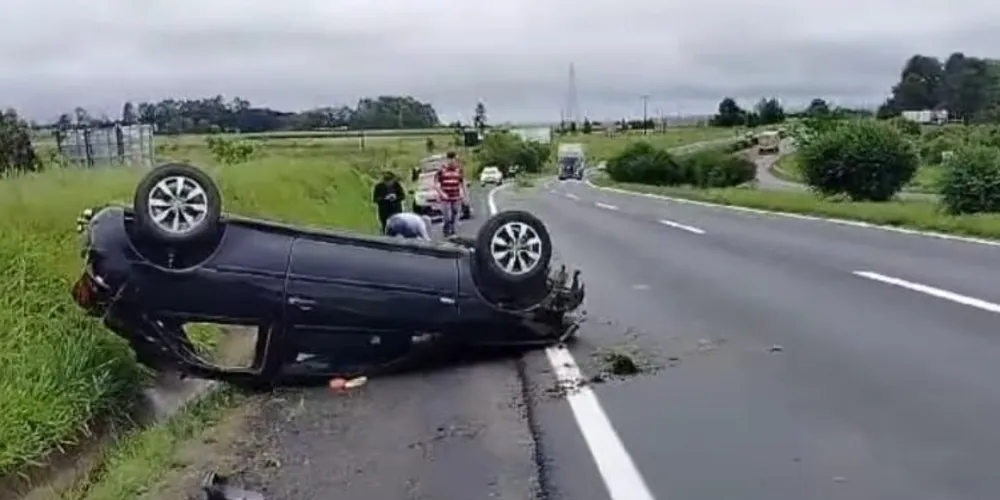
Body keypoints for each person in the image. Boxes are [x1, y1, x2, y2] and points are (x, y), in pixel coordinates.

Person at [435, 151, 466, 237]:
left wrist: (464, 193)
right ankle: (446, 229)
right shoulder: (441, 170)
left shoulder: (459, 170)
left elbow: (462, 182)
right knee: (446, 216)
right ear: (447, 160)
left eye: (454, 159)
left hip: (455, 196)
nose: (452, 161)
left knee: (455, 213)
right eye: (450, 159)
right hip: (445, 196)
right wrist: (441, 193)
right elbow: (436, 184)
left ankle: (452, 230)